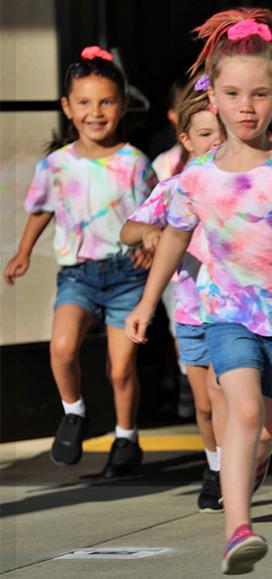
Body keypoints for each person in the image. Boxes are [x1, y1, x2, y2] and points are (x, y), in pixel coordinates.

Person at [125, 8, 272, 574]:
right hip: (226, 314)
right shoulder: (195, 176)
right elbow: (173, 239)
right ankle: (238, 529)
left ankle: (253, 464)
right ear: (212, 100)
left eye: (258, 94)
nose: (246, 106)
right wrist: (148, 303)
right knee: (242, 411)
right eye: (232, 93)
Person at [3, 46, 156, 477]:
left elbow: (156, 217)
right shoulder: (56, 164)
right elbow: (41, 209)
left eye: (106, 101)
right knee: (63, 347)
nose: (96, 112)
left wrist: (150, 244)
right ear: (67, 108)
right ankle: (74, 413)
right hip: (78, 273)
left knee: (121, 367)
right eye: (85, 102)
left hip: (127, 274)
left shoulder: (134, 163)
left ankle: (126, 438)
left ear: (122, 105)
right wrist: (23, 251)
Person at [120, 74, 225, 511]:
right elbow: (128, 228)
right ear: (185, 138)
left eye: (223, 132)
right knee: (203, 405)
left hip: (238, 313)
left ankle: (236, 468)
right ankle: (216, 465)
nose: (215, 142)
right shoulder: (176, 186)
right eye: (204, 134)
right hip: (191, 311)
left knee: (225, 397)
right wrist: (148, 233)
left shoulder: (252, 179)